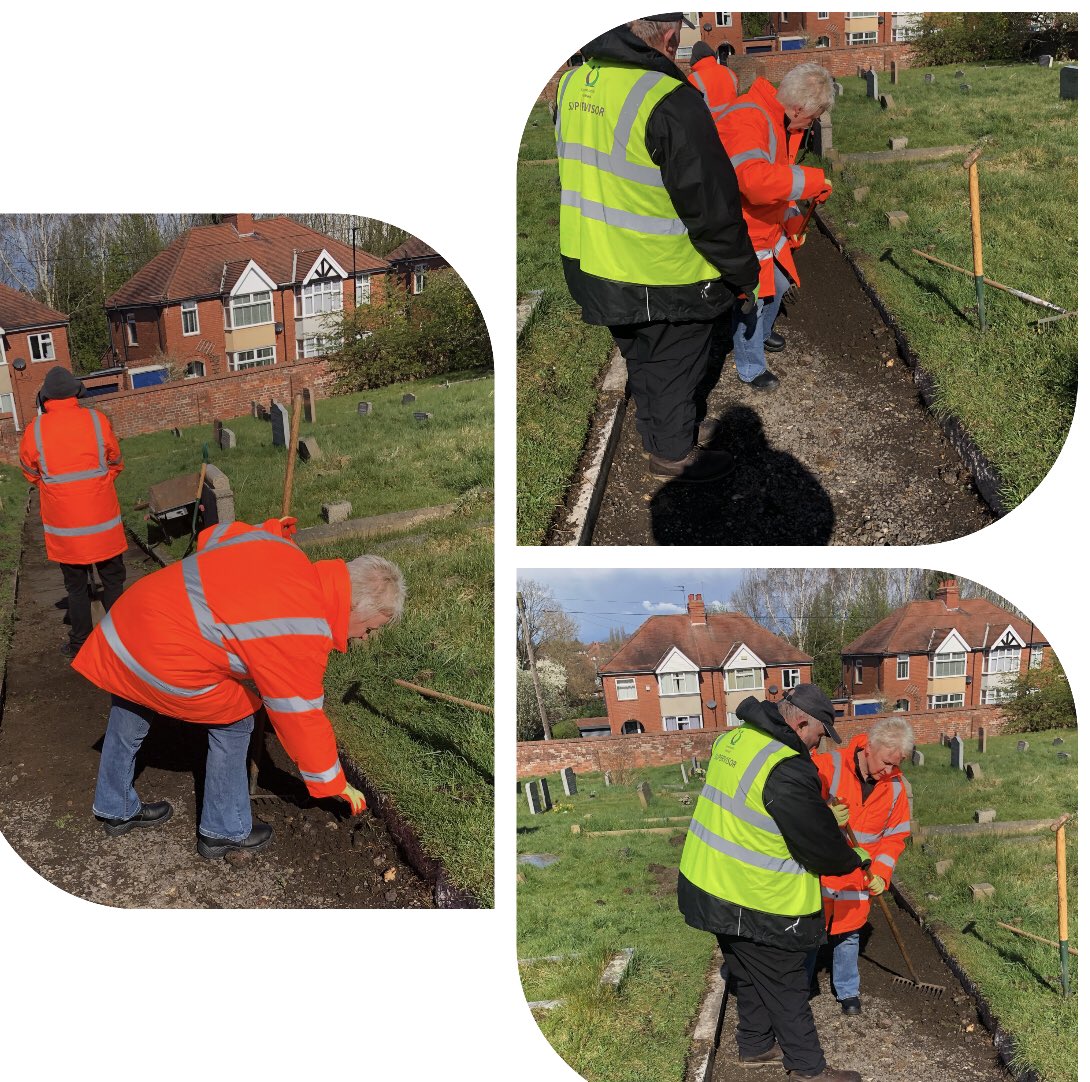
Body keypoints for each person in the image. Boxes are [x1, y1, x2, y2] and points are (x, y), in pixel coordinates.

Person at [72, 516, 405, 859]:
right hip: (166, 650)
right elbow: (300, 715)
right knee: (238, 717)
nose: (365, 637)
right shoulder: (304, 627)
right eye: (370, 627)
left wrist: (278, 530)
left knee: (133, 698)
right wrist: (333, 781)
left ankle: (114, 805)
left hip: (131, 619)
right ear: (354, 606)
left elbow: (217, 535)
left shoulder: (284, 553)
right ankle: (224, 830)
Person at [556, 14, 759, 483]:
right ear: (669, 37)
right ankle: (672, 456)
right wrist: (743, 272)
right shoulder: (668, 99)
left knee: (643, 357)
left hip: (593, 262)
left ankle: (669, 427)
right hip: (662, 273)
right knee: (673, 364)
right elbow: (711, 205)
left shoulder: (574, 83)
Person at [678, 684, 867, 1082]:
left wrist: (816, 815)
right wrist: (855, 858)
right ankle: (808, 1069)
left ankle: (755, 1044)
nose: (817, 748)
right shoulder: (786, 767)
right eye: (818, 737)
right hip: (756, 897)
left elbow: (752, 807)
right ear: (800, 723)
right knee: (786, 984)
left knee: (747, 970)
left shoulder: (733, 738)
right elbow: (820, 851)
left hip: (706, 882)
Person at [720, 63, 836, 391]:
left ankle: (762, 333)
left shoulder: (780, 119)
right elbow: (754, 181)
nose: (810, 126)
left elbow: (778, 175)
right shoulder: (748, 118)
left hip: (765, 224)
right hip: (743, 228)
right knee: (751, 299)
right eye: (812, 119)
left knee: (781, 285)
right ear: (799, 108)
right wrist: (811, 181)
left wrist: (791, 217)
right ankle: (751, 368)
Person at [19, 365, 127, 660]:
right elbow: (115, 460)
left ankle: (80, 644)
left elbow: (30, 472)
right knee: (114, 582)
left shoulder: (35, 430)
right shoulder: (97, 420)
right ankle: (124, 639)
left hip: (66, 531)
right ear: (77, 393)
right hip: (103, 523)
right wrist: (97, 485)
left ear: (45, 398)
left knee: (76, 589)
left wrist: (57, 489)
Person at [810, 717, 915, 1014]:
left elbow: (895, 837)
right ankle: (802, 984)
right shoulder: (828, 766)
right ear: (868, 747)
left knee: (849, 933)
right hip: (819, 870)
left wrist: (881, 873)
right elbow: (799, 811)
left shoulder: (894, 788)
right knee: (808, 930)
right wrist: (825, 816)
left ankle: (847, 990)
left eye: (896, 765)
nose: (889, 771)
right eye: (885, 762)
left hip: (858, 876)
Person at [687, 40, 738, 129]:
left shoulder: (693, 79)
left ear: (694, 58)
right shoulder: (729, 72)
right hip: (734, 126)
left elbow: (691, 113)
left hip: (712, 131)